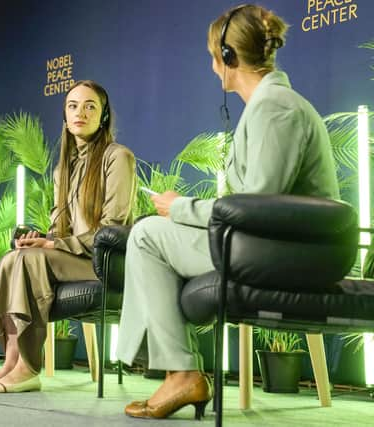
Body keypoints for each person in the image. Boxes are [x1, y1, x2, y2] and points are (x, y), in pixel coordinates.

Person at [116, 4, 339, 420]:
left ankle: (181, 373)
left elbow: (256, 205)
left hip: (282, 252)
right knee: (151, 232)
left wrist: (180, 207)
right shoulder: (268, 105)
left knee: (147, 235)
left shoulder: (276, 107)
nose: (212, 66)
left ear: (229, 58)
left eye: (213, 56)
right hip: (272, 244)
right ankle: (176, 370)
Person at [0, 80, 136, 393]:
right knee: (12, 258)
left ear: (104, 116)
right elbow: (61, 228)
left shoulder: (118, 157)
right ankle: (12, 360)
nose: (80, 113)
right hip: (71, 257)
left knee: (30, 262)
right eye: (72, 106)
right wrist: (41, 238)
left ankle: (29, 369)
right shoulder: (63, 169)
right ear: (65, 115)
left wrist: (54, 245)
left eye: (89, 106)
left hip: (106, 262)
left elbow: (113, 226)